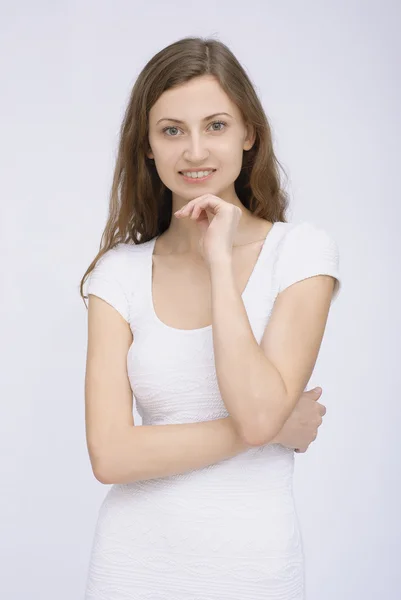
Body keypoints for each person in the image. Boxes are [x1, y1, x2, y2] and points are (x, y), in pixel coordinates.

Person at [80, 36, 341, 600]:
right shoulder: (118, 273)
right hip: (131, 570)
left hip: (254, 573)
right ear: (147, 146)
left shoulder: (299, 253)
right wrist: (275, 427)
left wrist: (220, 260)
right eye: (171, 130)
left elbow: (255, 414)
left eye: (216, 125)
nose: (194, 150)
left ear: (249, 133)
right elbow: (111, 454)